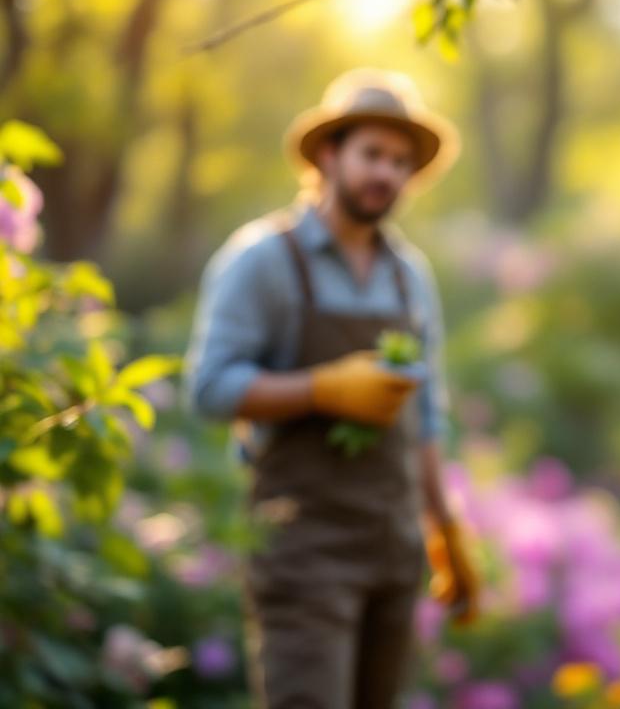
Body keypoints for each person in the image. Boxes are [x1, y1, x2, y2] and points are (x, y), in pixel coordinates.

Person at [184, 68, 476, 708]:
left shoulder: (409, 276)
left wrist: (445, 533)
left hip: (394, 555)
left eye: (400, 162)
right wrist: (320, 389)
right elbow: (208, 389)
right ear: (327, 155)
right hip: (302, 554)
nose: (386, 174)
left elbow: (427, 417)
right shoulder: (263, 261)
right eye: (372, 154)